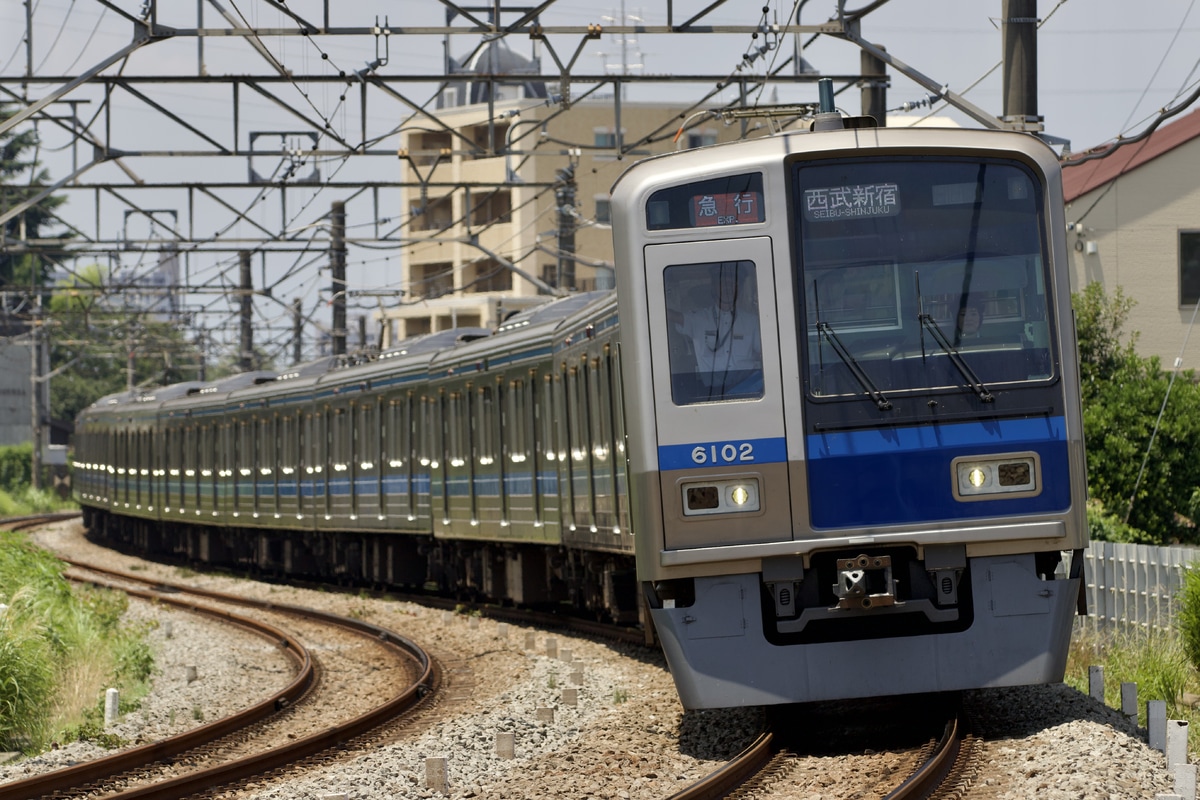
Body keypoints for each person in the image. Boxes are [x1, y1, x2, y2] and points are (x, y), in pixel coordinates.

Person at [675, 264, 763, 401]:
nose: (728, 288)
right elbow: (670, 316)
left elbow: (764, 354)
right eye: (723, 284)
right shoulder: (698, 319)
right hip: (712, 393)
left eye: (732, 284)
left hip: (749, 390)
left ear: (738, 289)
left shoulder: (752, 321)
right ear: (714, 287)